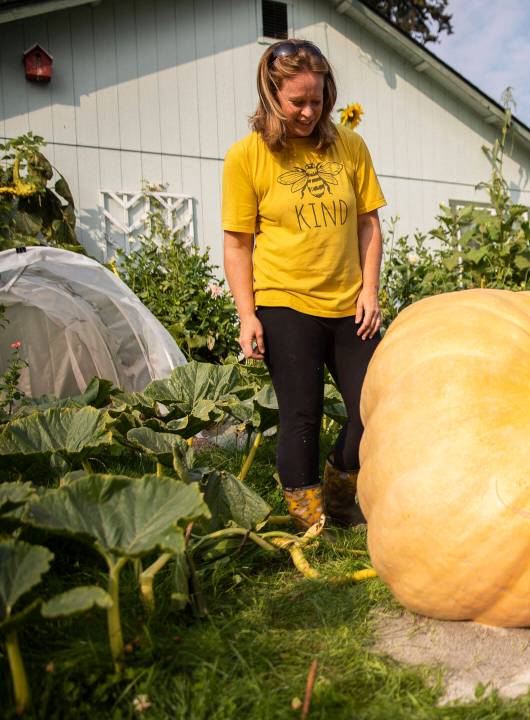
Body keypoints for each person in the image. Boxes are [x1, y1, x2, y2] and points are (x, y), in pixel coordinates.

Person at [221, 39, 386, 530]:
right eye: (298, 101)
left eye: (317, 99)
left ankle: (339, 490)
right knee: (302, 415)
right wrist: (247, 314)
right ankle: (307, 519)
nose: (309, 111)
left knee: (375, 404)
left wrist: (370, 289)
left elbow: (368, 225)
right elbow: (237, 245)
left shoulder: (349, 146)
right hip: (283, 301)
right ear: (272, 96)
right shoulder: (246, 156)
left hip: (348, 303)